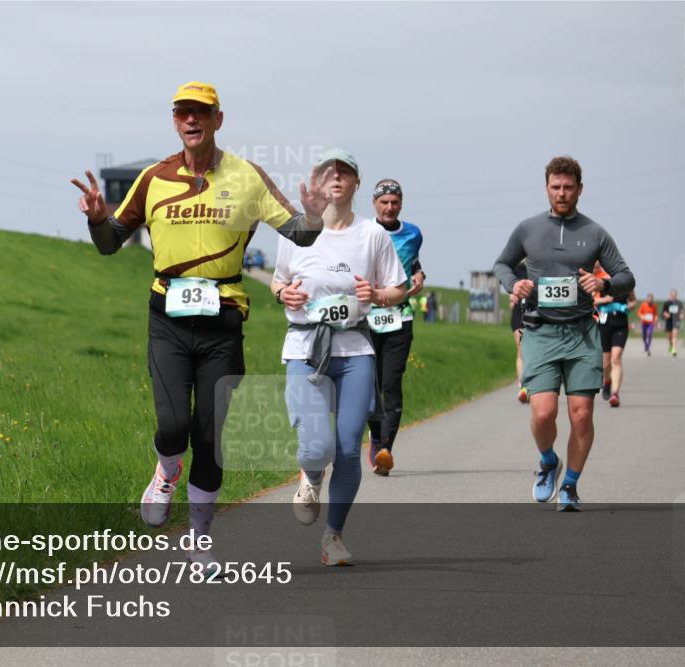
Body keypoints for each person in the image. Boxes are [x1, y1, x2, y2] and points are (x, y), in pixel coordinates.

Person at [71, 81, 332, 572]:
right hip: (167, 319)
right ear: (175, 121)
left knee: (210, 437)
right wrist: (98, 221)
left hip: (223, 322)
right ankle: (166, 471)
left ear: (218, 120)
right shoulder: (153, 178)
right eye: (182, 112)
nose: (191, 120)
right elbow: (109, 244)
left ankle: (199, 541)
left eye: (201, 112)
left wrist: (315, 216)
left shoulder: (247, 176)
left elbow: (298, 232)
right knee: (173, 426)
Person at [271, 149, 407, 565]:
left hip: (355, 349)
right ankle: (311, 475)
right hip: (305, 348)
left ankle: (333, 538)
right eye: (328, 172)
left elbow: (398, 289)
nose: (336, 178)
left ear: (356, 183)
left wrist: (377, 294)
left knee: (348, 448)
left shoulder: (373, 235)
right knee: (317, 447)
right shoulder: (294, 230)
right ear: (317, 181)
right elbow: (277, 282)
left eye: (344, 172)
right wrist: (284, 293)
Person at [493, 156, 635, 512]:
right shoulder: (528, 229)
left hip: (582, 333)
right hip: (540, 331)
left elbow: (626, 277)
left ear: (580, 190)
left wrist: (603, 283)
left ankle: (570, 485)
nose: (562, 193)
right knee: (543, 414)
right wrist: (514, 284)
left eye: (568, 187)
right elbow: (502, 264)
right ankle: (548, 462)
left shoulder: (595, 232)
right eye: (555, 187)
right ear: (546, 188)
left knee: (581, 414)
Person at [364, 179, 425, 476]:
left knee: (391, 384)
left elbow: (410, 261)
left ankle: (386, 449)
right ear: (374, 204)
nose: (389, 207)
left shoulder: (413, 233)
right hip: (366, 319)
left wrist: (419, 273)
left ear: (401, 204)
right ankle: (376, 436)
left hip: (400, 317)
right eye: (384, 202)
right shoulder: (363, 232)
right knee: (368, 386)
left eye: (394, 202)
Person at [593, 261, 636, 407]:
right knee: (605, 362)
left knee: (616, 358)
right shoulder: (602, 282)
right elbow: (592, 300)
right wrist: (604, 299)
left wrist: (630, 306)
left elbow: (633, 300)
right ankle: (607, 381)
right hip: (604, 324)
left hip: (621, 323)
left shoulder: (627, 284)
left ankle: (615, 393)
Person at [510, 261, 530, 403]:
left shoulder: (541, 264)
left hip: (536, 313)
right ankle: (523, 386)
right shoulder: (517, 269)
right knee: (521, 350)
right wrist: (511, 295)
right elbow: (510, 285)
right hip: (519, 313)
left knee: (532, 351)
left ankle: (531, 384)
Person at [662, 289, 684, 357]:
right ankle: (671, 345)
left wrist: (681, 315)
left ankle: (674, 349)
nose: (673, 296)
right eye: (672, 295)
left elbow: (681, 311)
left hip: (676, 320)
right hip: (669, 321)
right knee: (669, 336)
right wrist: (666, 314)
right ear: (670, 295)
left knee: (675, 335)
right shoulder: (667, 303)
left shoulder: (679, 303)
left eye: (675, 295)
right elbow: (664, 311)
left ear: (676, 295)